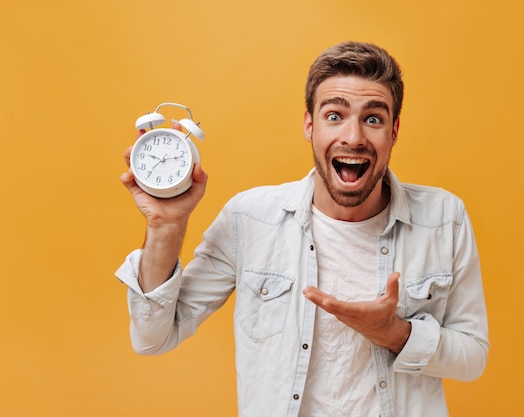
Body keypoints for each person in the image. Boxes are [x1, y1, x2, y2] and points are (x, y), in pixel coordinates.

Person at [116, 41, 489, 417]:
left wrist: (394, 334)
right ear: (309, 125)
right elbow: (152, 338)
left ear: (394, 131)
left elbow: (473, 356)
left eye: (373, 119)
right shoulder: (250, 220)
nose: (354, 137)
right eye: (334, 116)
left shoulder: (444, 219)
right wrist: (166, 225)